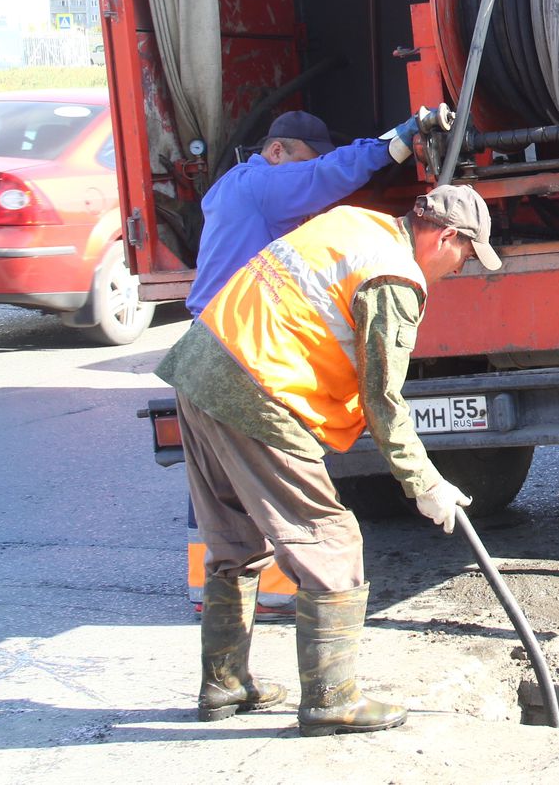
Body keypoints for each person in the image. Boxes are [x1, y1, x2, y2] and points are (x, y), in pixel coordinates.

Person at [155, 184, 503, 736]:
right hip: (258, 388)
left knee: (235, 537)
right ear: (445, 236)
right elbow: (382, 398)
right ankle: (331, 699)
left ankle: (224, 682)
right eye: (465, 254)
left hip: (201, 366)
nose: (460, 267)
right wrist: (425, 482)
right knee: (331, 538)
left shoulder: (352, 223)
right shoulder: (394, 278)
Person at [185, 108, 425, 316]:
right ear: (277, 151)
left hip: (216, 318)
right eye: (303, 163)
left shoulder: (234, 184)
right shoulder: (261, 186)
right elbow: (322, 175)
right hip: (231, 322)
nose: (305, 172)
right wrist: (390, 145)